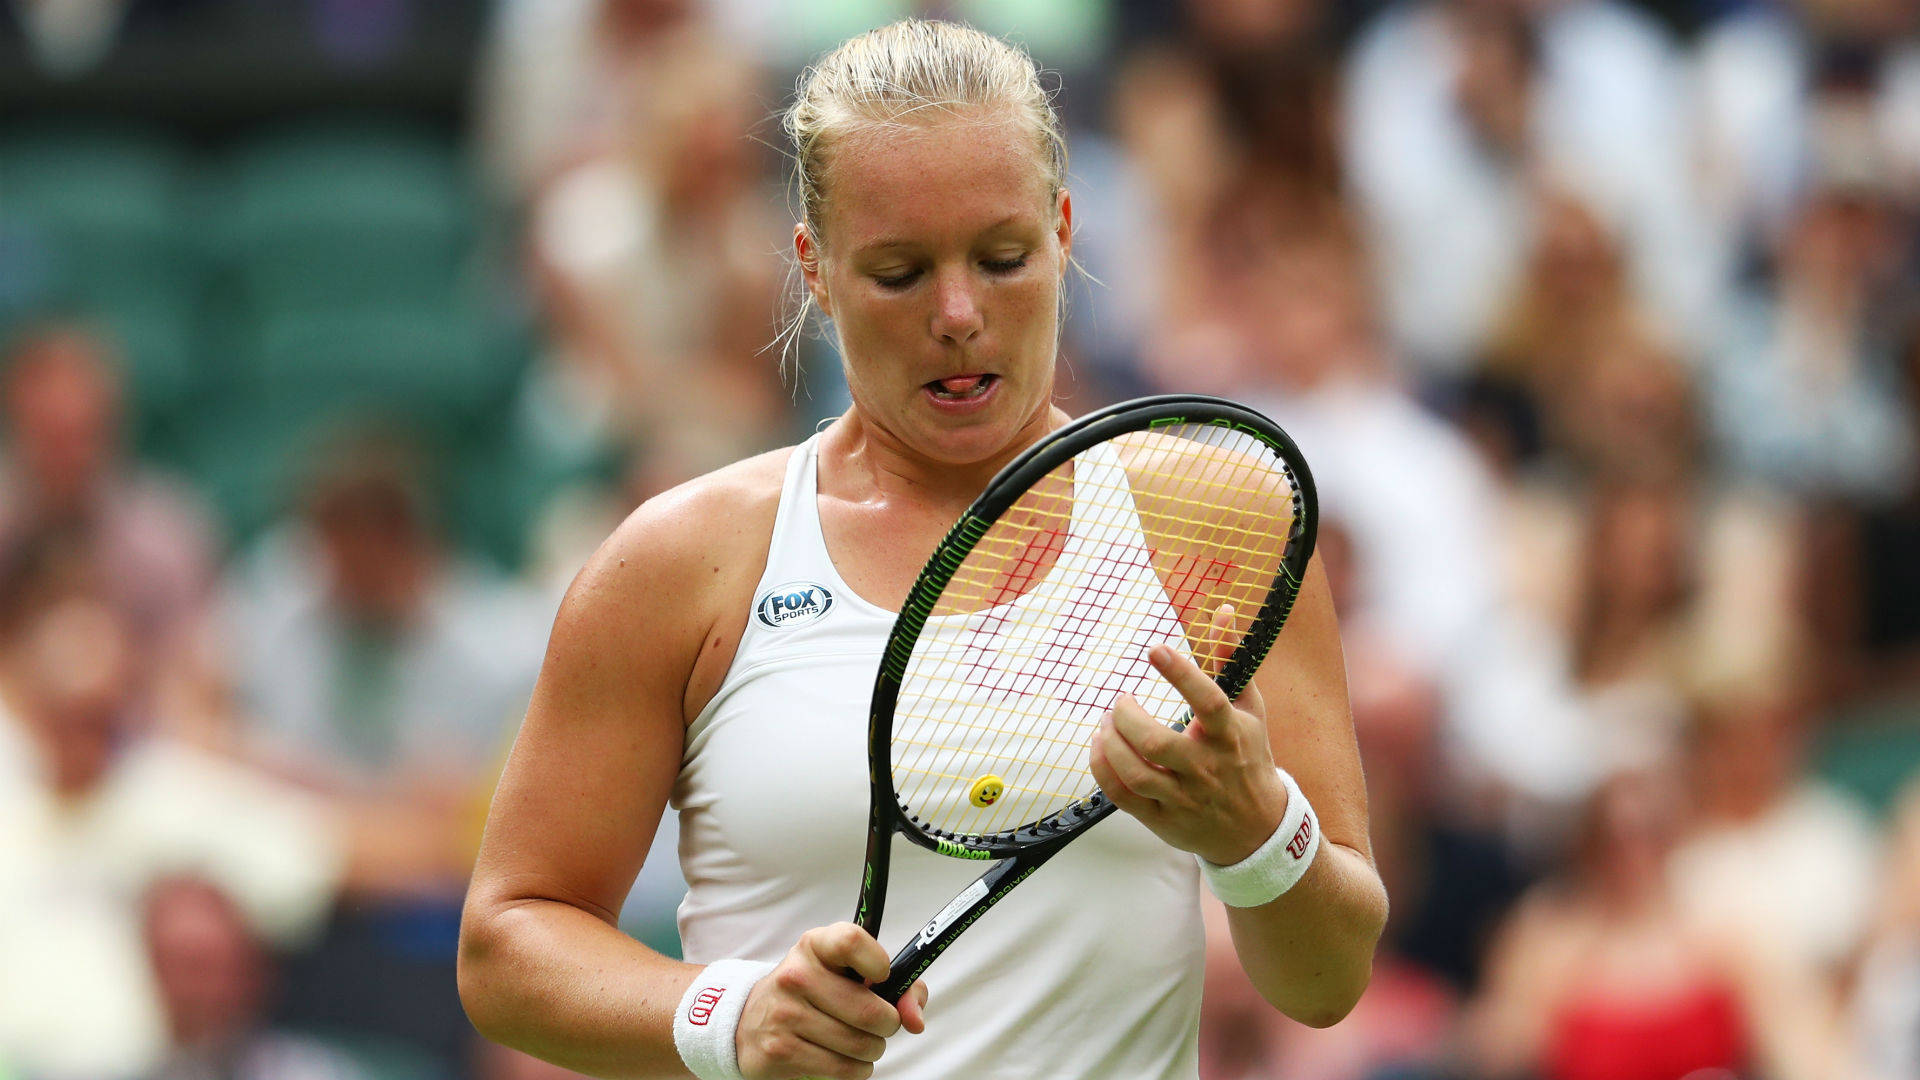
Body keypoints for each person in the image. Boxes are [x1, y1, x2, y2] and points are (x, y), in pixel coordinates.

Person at [458, 19, 1387, 1080]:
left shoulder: (1222, 523)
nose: (959, 315)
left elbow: (1328, 981)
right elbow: (505, 945)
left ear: (1065, 230)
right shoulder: (680, 563)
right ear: (813, 268)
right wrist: (729, 1015)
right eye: (900, 272)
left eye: (1002, 259)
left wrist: (1254, 832)